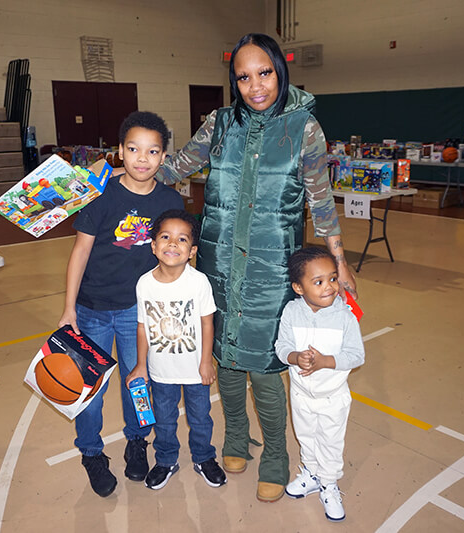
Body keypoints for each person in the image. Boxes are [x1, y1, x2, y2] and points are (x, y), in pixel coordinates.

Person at [153, 33, 358, 502]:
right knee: (223, 353)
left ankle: (277, 455)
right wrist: (119, 172)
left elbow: (320, 199)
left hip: (270, 267)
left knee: (267, 363)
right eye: (243, 77)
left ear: (280, 72)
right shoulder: (220, 123)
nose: (255, 86)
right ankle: (235, 438)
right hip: (217, 261)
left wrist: (339, 262)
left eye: (263, 73)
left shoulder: (304, 127)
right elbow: (176, 167)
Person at [58, 111, 184, 497]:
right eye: (133, 149)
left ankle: (136, 441)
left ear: (163, 157)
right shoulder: (100, 194)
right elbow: (80, 252)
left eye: (152, 151)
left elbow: (176, 254)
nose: (142, 159)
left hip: (139, 314)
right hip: (92, 309)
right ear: (119, 151)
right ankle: (92, 453)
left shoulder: (169, 199)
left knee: (138, 383)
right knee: (88, 391)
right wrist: (69, 309)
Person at [125, 209, 228, 490]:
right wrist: (141, 365)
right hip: (161, 371)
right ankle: (166, 459)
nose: (173, 244)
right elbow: (142, 327)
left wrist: (206, 362)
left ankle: (204, 457)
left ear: (192, 251)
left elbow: (208, 324)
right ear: (154, 246)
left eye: (182, 239)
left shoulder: (198, 282)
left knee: (200, 418)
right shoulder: (145, 284)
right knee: (164, 420)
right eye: (166, 237)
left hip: (195, 370)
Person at [275, 247, 364, 522]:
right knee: (306, 436)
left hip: (332, 397)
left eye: (333, 278)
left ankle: (329, 483)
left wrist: (325, 361)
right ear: (298, 288)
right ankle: (312, 474)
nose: (329, 287)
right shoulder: (291, 311)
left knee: (330, 441)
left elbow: (356, 355)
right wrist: (294, 357)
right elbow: (281, 347)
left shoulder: (345, 316)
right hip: (301, 394)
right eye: (319, 282)